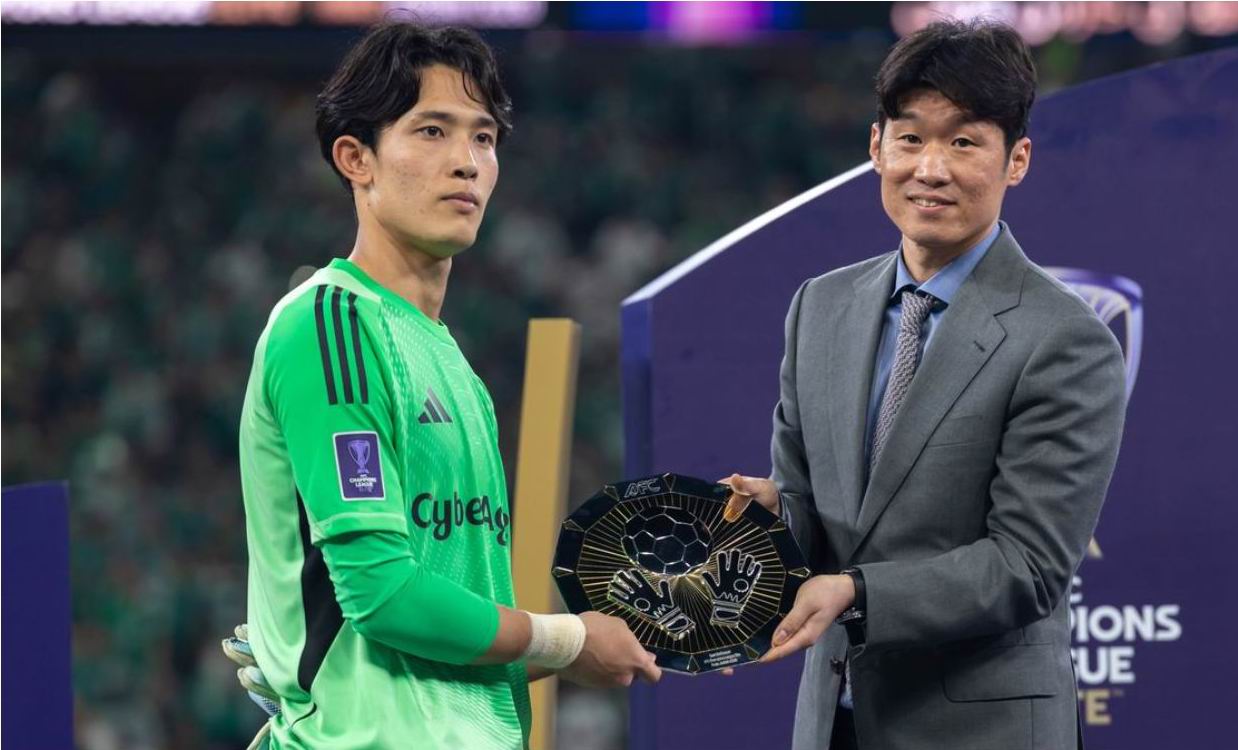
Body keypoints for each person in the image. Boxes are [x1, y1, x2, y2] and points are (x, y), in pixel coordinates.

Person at [235, 22, 659, 750]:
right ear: (356, 159)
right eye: (431, 131)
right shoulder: (333, 325)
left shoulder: (451, 363)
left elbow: (443, 647)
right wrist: (565, 638)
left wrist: (582, 646)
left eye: (483, 138)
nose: (465, 162)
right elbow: (382, 595)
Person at [723, 19, 1127, 750]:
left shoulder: (1064, 337)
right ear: (876, 146)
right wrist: (774, 513)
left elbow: (1026, 567)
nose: (930, 169)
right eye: (910, 138)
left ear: (1017, 160)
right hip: (833, 722)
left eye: (964, 142)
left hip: (984, 730)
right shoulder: (820, 306)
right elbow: (814, 518)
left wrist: (857, 592)